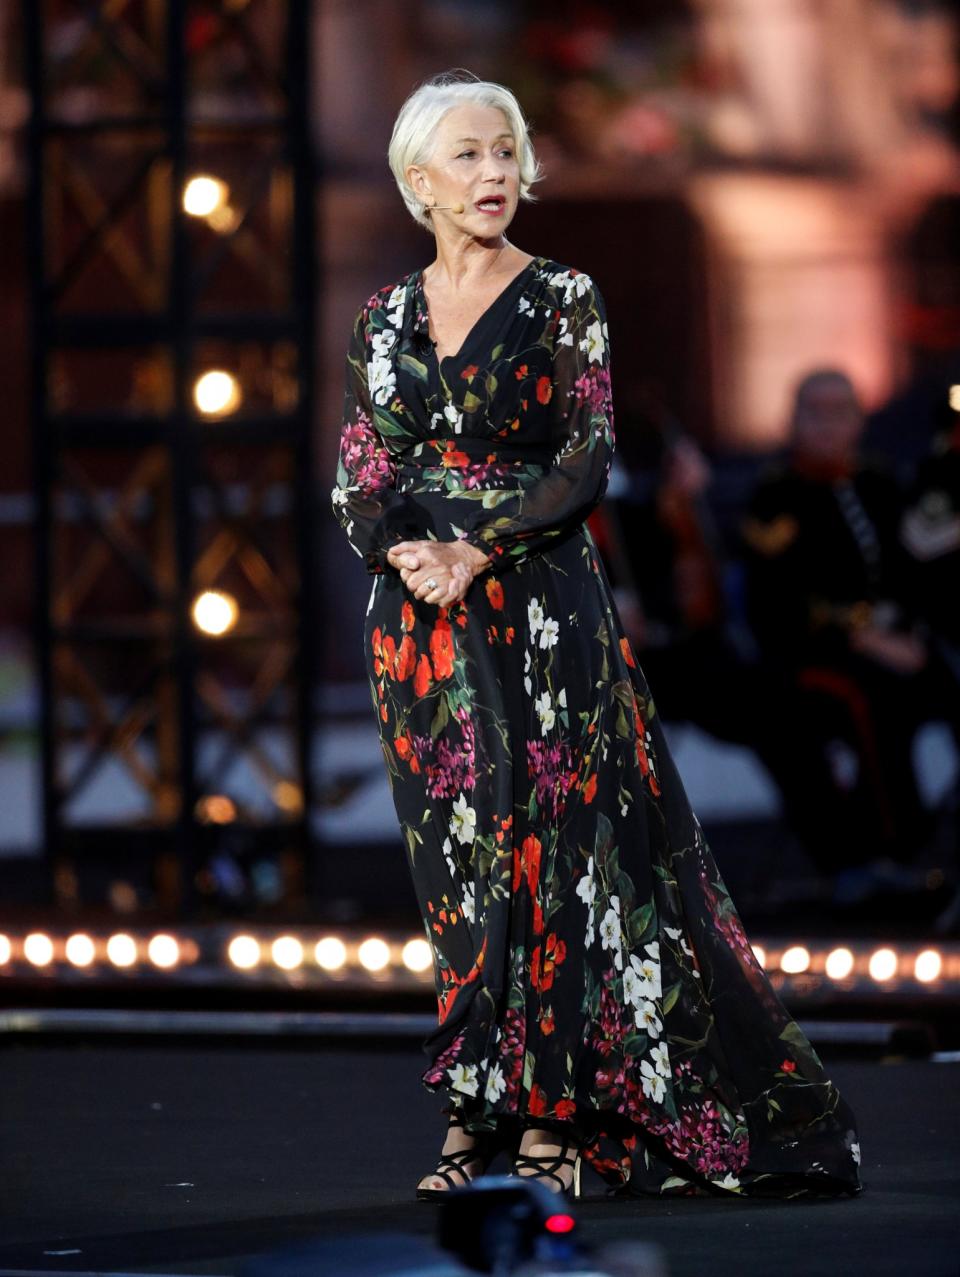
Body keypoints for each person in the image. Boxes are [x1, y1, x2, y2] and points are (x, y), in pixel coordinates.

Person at [331, 70, 861, 1202]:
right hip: (421, 632)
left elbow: (586, 457)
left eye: (507, 152)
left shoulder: (564, 295)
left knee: (561, 854)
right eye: (469, 155)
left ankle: (555, 1120)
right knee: (464, 871)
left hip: (542, 607)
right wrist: (405, 555)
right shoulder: (383, 317)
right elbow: (361, 473)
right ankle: (475, 1114)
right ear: (419, 179)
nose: (494, 174)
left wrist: (474, 544)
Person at [741, 370, 937, 902]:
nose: (828, 426)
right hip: (811, 655)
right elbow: (777, 600)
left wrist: (913, 633)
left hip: (898, 644)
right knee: (868, 699)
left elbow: (913, 568)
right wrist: (865, 638)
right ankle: (892, 850)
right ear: (794, 421)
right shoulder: (775, 495)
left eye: (840, 411)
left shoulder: (878, 482)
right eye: (815, 412)